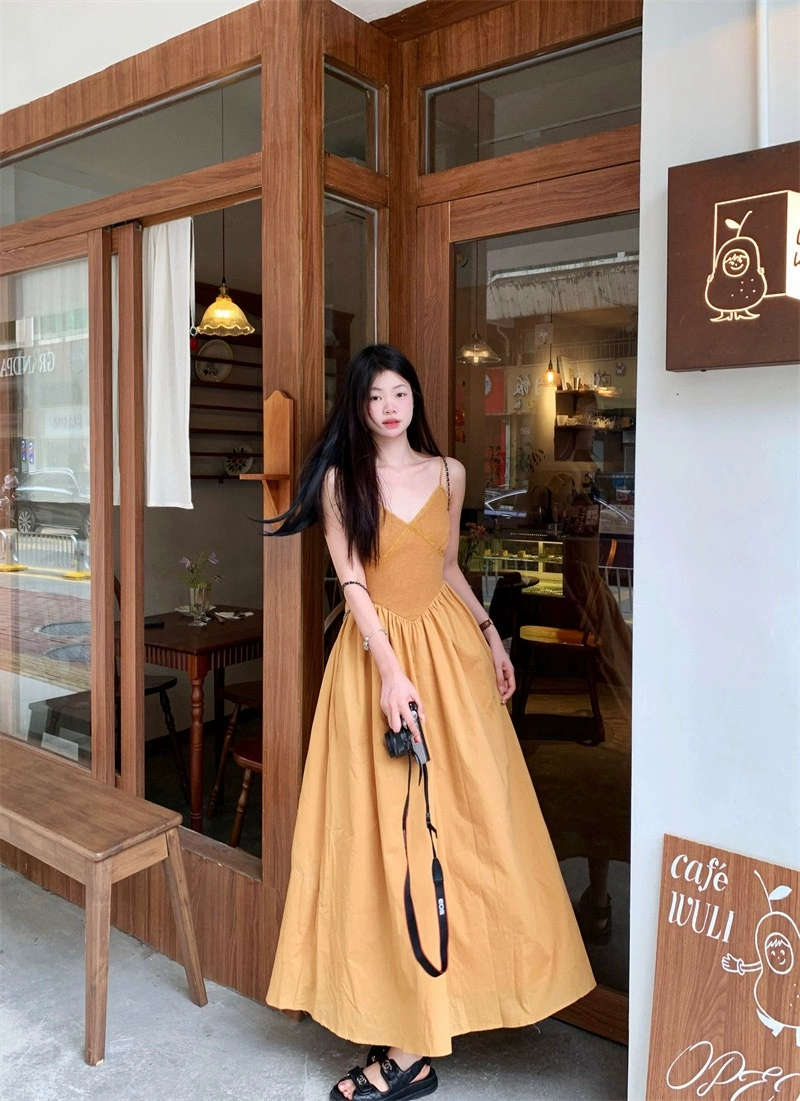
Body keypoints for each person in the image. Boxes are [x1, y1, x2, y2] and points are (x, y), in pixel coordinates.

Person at [266, 344, 594, 1101]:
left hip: (451, 659)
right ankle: (403, 1027)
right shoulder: (342, 480)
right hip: (377, 664)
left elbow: (447, 569)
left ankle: (415, 1042)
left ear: (414, 398)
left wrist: (491, 634)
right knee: (383, 839)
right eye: (374, 396)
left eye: (399, 393)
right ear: (358, 406)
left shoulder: (449, 473)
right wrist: (390, 671)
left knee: (468, 830)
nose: (389, 408)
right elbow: (353, 583)